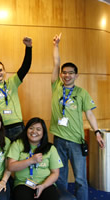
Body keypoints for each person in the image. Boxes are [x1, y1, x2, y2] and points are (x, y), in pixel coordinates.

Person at [50, 33, 105, 200]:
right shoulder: (56, 86)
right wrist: (56, 45)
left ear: (76, 75)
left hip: (76, 141)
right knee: (60, 176)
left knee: (80, 178)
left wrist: (96, 132)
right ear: (61, 75)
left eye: (71, 73)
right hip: (59, 139)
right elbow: (56, 63)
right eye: (64, 73)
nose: (67, 75)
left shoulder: (82, 93)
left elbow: (89, 113)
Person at [0, 37, 32, 141]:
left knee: (18, 156)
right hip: (0, 128)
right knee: (2, 156)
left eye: (0, 70)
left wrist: (28, 47)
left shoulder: (13, 82)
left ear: (4, 71)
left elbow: (25, 67)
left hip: (17, 126)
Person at [8, 117, 63, 200]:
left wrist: (43, 186)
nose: (34, 132)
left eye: (38, 129)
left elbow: (55, 173)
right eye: (31, 128)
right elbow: (11, 166)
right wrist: (30, 161)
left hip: (45, 184)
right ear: (26, 130)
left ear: (43, 132)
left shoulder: (50, 148)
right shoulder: (18, 144)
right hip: (23, 183)